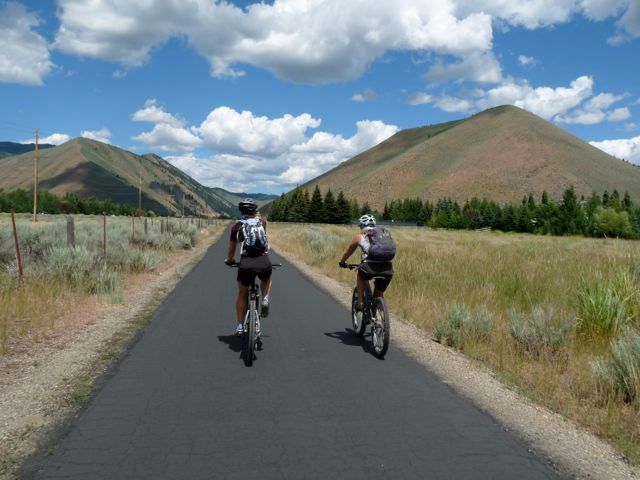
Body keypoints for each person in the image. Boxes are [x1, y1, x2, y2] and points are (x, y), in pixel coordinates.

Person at [225, 198, 272, 335]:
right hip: (263, 261)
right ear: (254, 210)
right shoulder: (262, 222)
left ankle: (240, 326)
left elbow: (232, 249)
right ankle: (265, 299)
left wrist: (229, 260)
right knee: (267, 278)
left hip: (245, 264)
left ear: (241, 210)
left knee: (242, 293)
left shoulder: (236, 227)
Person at [338, 214, 394, 312]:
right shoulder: (383, 234)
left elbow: (348, 251)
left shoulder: (359, 237)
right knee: (379, 293)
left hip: (369, 268)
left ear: (361, 225)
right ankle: (382, 320)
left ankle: (360, 301)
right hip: (388, 269)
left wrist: (342, 262)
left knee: (360, 273)